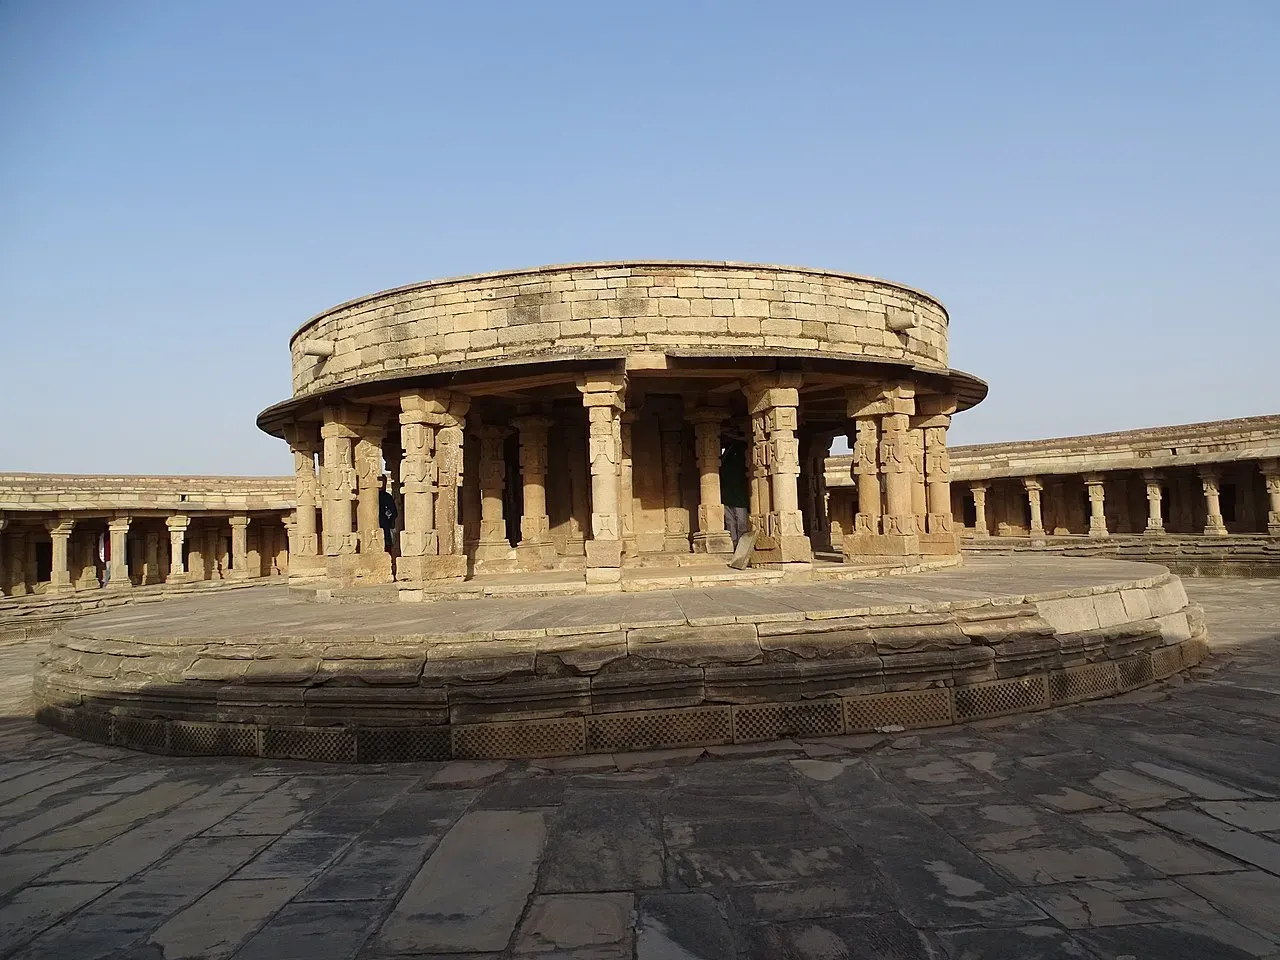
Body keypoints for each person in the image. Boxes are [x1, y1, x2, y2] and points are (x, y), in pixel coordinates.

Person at [720, 437, 750, 547]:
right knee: (730, 523)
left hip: (738, 499)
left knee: (741, 524)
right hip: (728, 498)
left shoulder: (739, 462)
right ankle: (735, 545)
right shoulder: (725, 463)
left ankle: (742, 546)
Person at [378, 476, 398, 552]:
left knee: (387, 545)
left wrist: (389, 519)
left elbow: (394, 512)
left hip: (385, 524)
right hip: (379, 523)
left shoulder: (387, 497)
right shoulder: (372, 496)